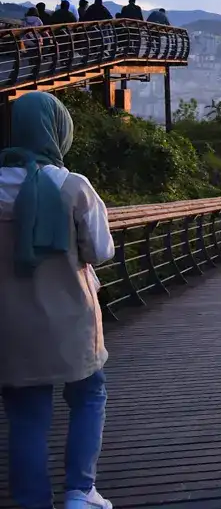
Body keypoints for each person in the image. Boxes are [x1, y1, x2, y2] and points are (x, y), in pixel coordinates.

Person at [0, 92, 115, 509]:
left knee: (26, 416)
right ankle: (80, 492)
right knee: (88, 395)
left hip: (9, 322)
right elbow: (100, 251)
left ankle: (32, 502)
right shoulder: (71, 186)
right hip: (70, 316)